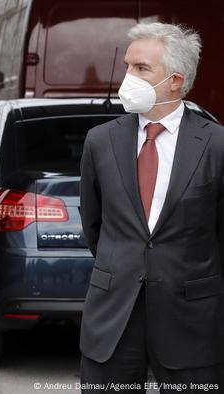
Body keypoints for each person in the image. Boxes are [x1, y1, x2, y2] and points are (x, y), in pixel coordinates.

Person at [80, 22, 224, 392]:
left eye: (141, 69)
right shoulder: (101, 141)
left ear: (175, 80)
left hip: (190, 321)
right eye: (127, 66)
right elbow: (94, 226)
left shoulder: (216, 145)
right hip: (113, 319)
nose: (127, 77)